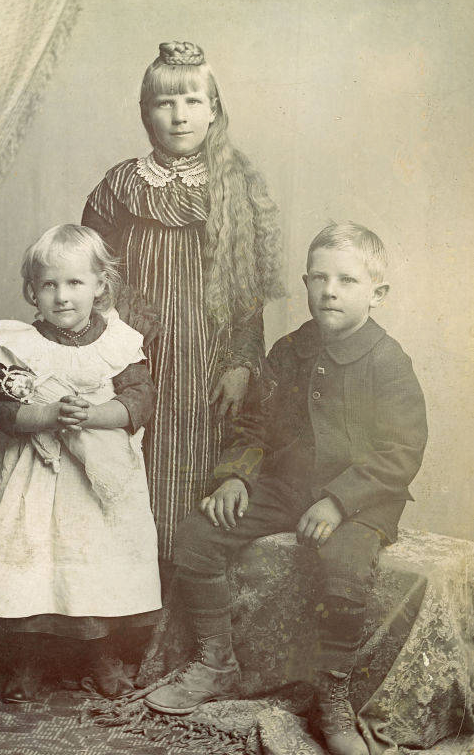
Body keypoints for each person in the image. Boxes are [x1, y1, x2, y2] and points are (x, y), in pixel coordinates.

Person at [144, 222, 428, 755]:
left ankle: (331, 697)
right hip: (287, 485)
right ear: (305, 283)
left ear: (378, 293)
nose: (330, 291)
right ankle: (216, 662)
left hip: (361, 499)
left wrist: (340, 500)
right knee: (199, 533)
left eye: (347, 280)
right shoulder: (289, 349)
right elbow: (254, 423)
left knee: (345, 565)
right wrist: (235, 476)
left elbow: (402, 450)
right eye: (319, 278)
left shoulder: (388, 360)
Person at [82, 41, 283, 561]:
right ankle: (131, 589)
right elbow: (90, 273)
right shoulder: (121, 184)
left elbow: (248, 292)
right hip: (136, 353)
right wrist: (122, 326)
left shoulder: (237, 182)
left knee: (200, 462)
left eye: (193, 101)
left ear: (213, 109)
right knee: (131, 463)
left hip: (209, 356)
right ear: (145, 112)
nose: (179, 115)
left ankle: (186, 588)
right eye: (165, 103)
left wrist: (241, 363)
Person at [0, 224, 162, 702]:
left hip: (95, 481)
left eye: (75, 283)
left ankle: (101, 655)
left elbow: (140, 400)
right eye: (49, 284)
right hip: (34, 475)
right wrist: (49, 414)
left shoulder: (118, 343)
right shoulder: (18, 344)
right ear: (33, 290)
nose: (62, 296)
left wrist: (91, 415)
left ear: (100, 286)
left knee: (96, 563)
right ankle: (29, 659)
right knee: (32, 562)